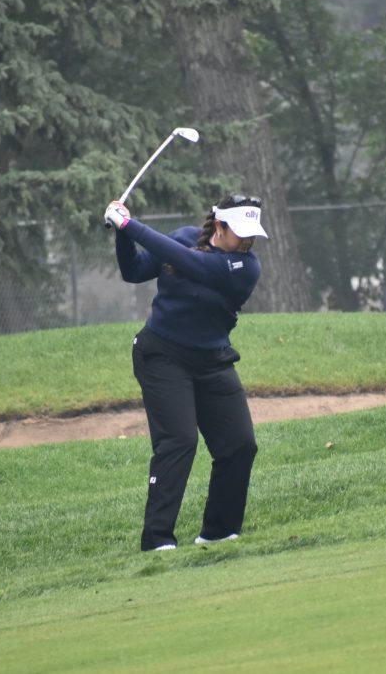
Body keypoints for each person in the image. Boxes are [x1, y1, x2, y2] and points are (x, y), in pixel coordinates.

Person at [103, 193, 268, 551]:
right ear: (219, 225)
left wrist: (130, 225)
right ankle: (157, 540)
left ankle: (219, 532)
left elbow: (190, 264)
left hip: (213, 360)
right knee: (179, 441)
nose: (248, 241)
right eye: (240, 232)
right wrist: (120, 232)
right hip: (162, 354)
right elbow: (133, 271)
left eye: (252, 233)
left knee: (240, 445)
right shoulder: (181, 237)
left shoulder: (246, 267)